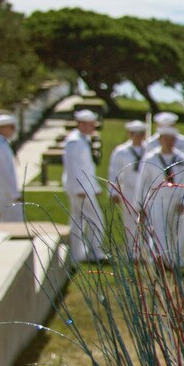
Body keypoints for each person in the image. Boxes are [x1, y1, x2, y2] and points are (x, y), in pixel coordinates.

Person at [135, 126, 184, 270]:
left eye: (171, 139)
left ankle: (173, 258)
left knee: (174, 230)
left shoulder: (182, 159)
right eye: (165, 139)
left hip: (176, 198)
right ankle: (161, 259)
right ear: (160, 140)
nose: (168, 142)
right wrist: (140, 204)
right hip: (157, 199)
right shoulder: (150, 158)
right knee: (158, 229)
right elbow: (142, 183)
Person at [63, 109, 106, 263]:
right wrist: (79, 189)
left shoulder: (82, 139)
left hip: (84, 188)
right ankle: (94, 251)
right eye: (90, 123)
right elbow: (73, 167)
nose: (93, 126)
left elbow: (86, 167)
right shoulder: (74, 141)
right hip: (80, 189)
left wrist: (93, 187)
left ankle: (78, 254)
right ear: (81, 124)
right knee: (95, 219)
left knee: (78, 220)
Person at [108, 120, 147, 254]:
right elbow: (114, 172)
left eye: (140, 134)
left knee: (145, 221)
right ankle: (132, 250)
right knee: (129, 221)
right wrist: (113, 191)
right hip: (128, 190)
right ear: (129, 134)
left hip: (145, 190)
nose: (138, 137)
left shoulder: (149, 150)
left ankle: (145, 250)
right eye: (134, 134)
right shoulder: (121, 151)